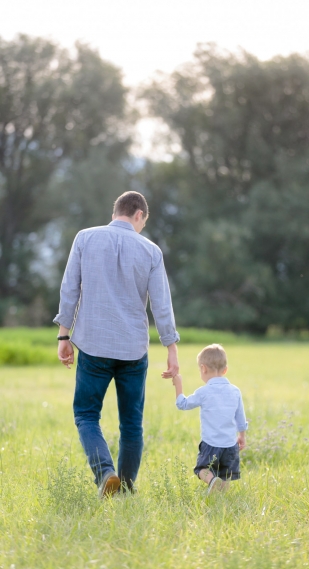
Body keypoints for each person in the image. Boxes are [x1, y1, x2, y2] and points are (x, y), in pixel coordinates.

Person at [54, 191, 180, 498]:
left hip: (93, 346)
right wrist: (171, 349)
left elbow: (70, 288)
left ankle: (105, 473)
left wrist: (64, 334)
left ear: (116, 212)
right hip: (133, 351)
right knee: (131, 424)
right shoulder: (151, 251)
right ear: (139, 215)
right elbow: (161, 305)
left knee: (86, 414)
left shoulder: (85, 238)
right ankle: (125, 487)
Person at [172, 343, 248, 494]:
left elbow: (183, 404)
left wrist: (178, 386)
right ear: (225, 370)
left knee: (202, 469)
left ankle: (212, 481)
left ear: (203, 368)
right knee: (225, 474)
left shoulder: (204, 392)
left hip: (211, 444)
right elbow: (241, 417)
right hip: (230, 444)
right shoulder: (235, 391)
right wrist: (242, 436)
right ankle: (221, 498)